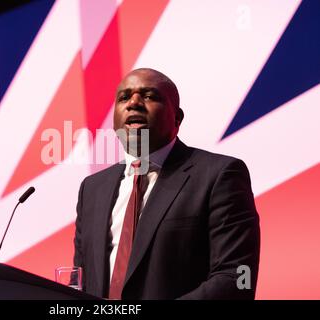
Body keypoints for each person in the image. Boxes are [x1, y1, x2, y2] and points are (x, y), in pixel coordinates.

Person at [73, 68, 260, 299]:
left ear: (177, 118)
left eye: (149, 95)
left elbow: (237, 277)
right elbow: (78, 281)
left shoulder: (220, 175)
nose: (134, 103)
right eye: (124, 97)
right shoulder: (92, 189)